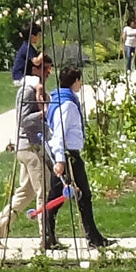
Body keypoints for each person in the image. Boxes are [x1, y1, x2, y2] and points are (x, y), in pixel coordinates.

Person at [0, 51, 58, 250]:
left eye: (50, 69)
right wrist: (44, 112)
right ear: (34, 69)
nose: (48, 73)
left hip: (33, 146)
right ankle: (46, 239)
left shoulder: (35, 88)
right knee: (44, 192)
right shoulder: (27, 91)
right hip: (30, 147)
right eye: (46, 69)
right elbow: (23, 120)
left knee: (24, 194)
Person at [46, 63, 112, 249]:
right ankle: (92, 238)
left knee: (59, 197)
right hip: (68, 156)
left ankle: (52, 235)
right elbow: (59, 133)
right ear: (75, 81)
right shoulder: (66, 104)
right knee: (79, 196)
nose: (80, 83)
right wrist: (59, 160)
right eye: (79, 80)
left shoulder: (63, 99)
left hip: (69, 154)